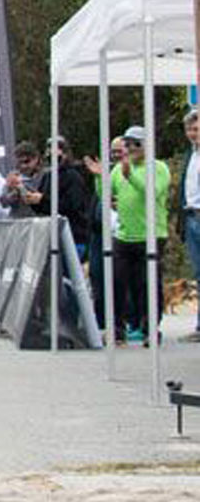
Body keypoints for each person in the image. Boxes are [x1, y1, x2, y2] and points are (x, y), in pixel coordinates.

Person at [110, 125, 170, 345]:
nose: (131, 148)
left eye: (136, 144)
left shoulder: (158, 167)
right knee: (117, 282)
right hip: (124, 235)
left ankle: (150, 329)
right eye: (127, 144)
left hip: (151, 235)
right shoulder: (118, 169)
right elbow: (109, 194)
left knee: (147, 285)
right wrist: (100, 180)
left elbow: (152, 191)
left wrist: (131, 176)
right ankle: (118, 329)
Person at [84, 136, 125, 334]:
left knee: (119, 280)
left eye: (120, 150)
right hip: (98, 232)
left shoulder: (127, 172)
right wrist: (100, 177)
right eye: (113, 151)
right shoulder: (108, 171)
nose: (116, 155)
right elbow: (102, 197)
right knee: (97, 277)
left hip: (121, 233)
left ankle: (122, 323)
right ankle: (101, 322)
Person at [30, 135, 93, 260]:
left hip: (74, 235)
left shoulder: (73, 176)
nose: (50, 153)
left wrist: (43, 200)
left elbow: (72, 206)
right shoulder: (47, 177)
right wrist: (33, 200)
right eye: (48, 149)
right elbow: (43, 207)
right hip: (53, 236)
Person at [178, 110, 200, 342]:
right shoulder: (190, 156)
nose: (193, 134)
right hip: (192, 216)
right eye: (190, 130)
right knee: (198, 272)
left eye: (196, 129)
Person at [0, 141, 43, 218]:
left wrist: (23, 187)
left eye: (27, 162)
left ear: (36, 159)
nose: (23, 166)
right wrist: (12, 192)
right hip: (20, 223)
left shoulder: (45, 175)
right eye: (20, 162)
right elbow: (3, 203)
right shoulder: (13, 176)